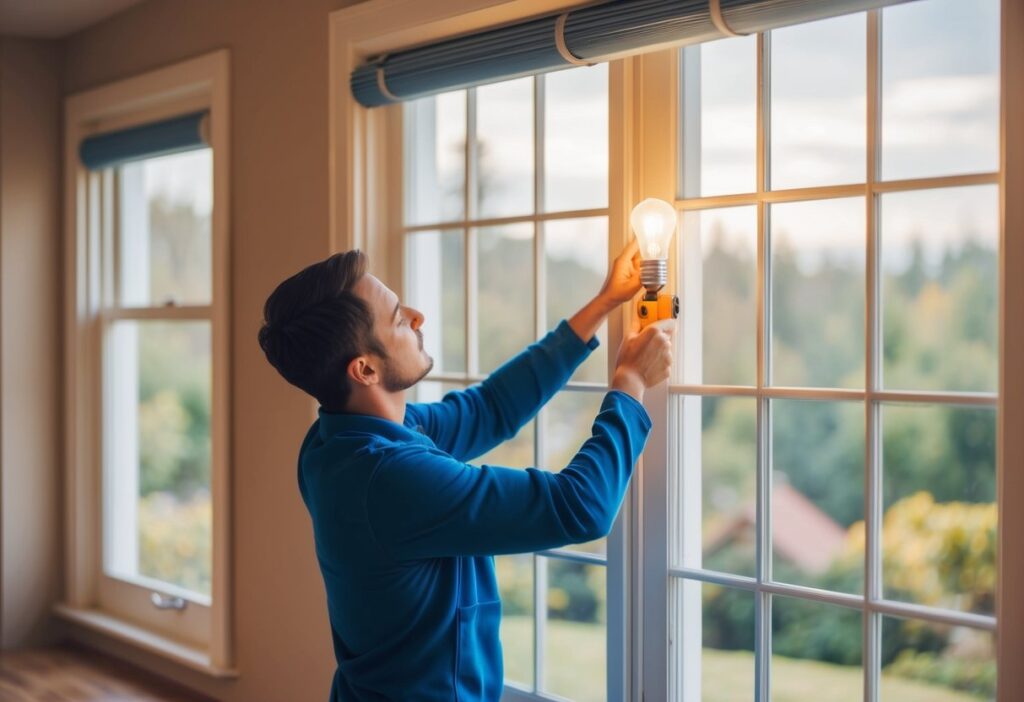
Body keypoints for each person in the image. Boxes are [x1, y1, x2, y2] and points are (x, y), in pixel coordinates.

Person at [257, 242, 675, 701]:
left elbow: (488, 409)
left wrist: (603, 304)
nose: (417, 317)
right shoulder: (388, 479)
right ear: (365, 369)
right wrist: (630, 385)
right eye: (398, 318)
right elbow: (580, 507)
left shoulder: (335, 442)